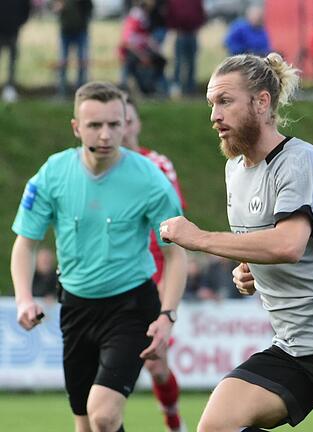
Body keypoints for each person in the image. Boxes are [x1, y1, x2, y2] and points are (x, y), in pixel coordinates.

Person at [158, 53, 313, 431]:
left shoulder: (299, 160)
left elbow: (288, 245)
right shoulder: (235, 170)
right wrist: (250, 270)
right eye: (212, 103)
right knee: (217, 425)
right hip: (293, 345)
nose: (214, 115)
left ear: (262, 102)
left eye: (225, 101)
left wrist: (200, 239)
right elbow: (265, 244)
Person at [10, 81, 187, 432]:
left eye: (114, 124)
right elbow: (25, 244)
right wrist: (23, 299)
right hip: (75, 307)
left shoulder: (151, 179)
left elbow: (176, 253)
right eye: (95, 125)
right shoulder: (53, 174)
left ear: (127, 124)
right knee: (85, 424)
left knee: (103, 415)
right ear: (77, 127)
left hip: (132, 308)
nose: (105, 134)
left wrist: (167, 315)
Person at [122, 94, 187, 432]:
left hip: (155, 270)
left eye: (129, 119)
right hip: (113, 273)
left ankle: (174, 421)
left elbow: (173, 222)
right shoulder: (93, 170)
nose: (123, 127)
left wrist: (164, 288)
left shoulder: (157, 164)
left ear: (136, 123)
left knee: (156, 363)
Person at [166, 0, 206, 97]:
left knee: (192, 62)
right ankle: (176, 88)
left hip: (192, 34)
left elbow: (201, 14)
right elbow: (170, 15)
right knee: (178, 62)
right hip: (180, 34)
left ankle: (190, 89)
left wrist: (198, 26)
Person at [53, 0, 92, 96]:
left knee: (82, 62)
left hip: (80, 31)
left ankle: (82, 92)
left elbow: (89, 8)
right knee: (62, 62)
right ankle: (62, 91)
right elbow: (53, 7)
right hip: (66, 31)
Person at [0, 0, 31, 103]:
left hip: (13, 31)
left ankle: (9, 88)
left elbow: (27, 9)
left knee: (12, 63)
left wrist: (18, 23)